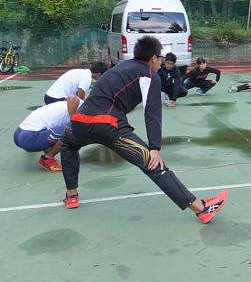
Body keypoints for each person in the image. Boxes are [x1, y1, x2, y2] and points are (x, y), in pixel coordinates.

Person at [59, 36, 228, 224]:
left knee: (67, 144)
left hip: (80, 121)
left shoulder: (120, 68)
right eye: (161, 58)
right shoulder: (150, 75)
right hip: (109, 125)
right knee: (153, 163)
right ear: (154, 58)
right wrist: (154, 147)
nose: (161, 62)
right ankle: (202, 209)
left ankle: (71, 195)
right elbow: (152, 112)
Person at [14, 96, 82, 172]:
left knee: (59, 129)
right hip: (29, 138)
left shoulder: (73, 105)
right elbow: (72, 98)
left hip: (19, 133)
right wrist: (74, 123)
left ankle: (40, 149)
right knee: (73, 131)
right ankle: (47, 159)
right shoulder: (82, 108)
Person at [44, 62, 108, 104]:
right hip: (56, 99)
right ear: (99, 74)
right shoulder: (87, 78)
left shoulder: (81, 72)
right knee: (76, 108)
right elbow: (79, 98)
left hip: (48, 96)